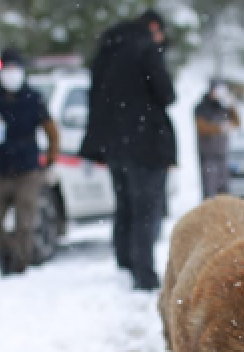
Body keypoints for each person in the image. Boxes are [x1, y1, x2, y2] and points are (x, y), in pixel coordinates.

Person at [81, 9, 177, 291]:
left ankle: (125, 263)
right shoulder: (146, 50)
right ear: (153, 27)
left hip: (114, 146)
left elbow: (95, 100)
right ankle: (144, 274)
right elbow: (166, 93)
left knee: (125, 207)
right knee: (147, 209)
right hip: (145, 143)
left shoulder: (107, 53)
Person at [0, 49, 60, 275]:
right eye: (7, 69)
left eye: (15, 69)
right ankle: (5, 256)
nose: (11, 74)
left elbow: (51, 130)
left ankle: (20, 264)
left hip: (27, 170)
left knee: (26, 222)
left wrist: (51, 158)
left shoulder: (33, 97)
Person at [194, 80, 240, 199]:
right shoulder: (202, 107)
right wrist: (219, 128)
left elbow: (237, 123)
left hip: (222, 153)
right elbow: (202, 127)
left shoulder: (224, 106)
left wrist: (232, 105)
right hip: (208, 155)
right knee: (210, 189)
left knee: (224, 189)